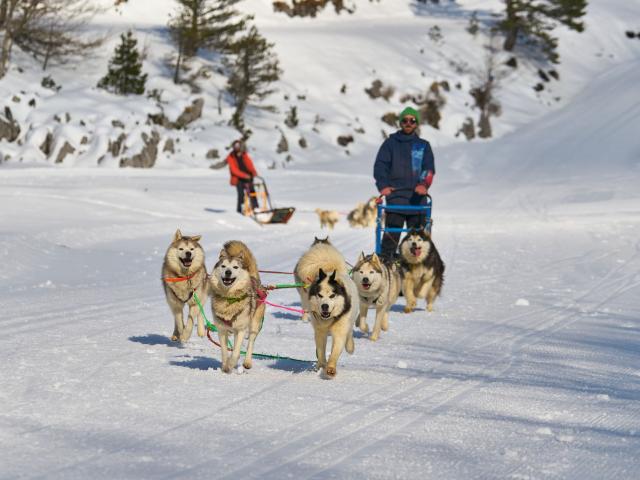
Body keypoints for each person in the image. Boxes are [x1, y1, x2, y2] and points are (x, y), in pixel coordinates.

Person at [373, 106, 435, 260]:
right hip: (396, 198)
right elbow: (381, 166)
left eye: (412, 120)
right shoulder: (390, 144)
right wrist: (383, 186)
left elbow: (428, 169)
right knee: (390, 240)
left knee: (416, 244)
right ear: (400, 123)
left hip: (417, 200)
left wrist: (423, 185)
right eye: (405, 120)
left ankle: (415, 275)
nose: (408, 123)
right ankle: (387, 269)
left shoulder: (423, 146)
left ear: (416, 124)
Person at [226, 140, 259, 214]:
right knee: (241, 195)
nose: (237, 147)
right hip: (238, 179)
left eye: (238, 146)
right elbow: (234, 170)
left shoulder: (244, 155)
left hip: (248, 178)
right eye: (235, 146)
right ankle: (239, 211)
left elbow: (250, 164)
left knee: (252, 193)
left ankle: (256, 209)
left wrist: (254, 172)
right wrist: (244, 175)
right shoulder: (230, 157)